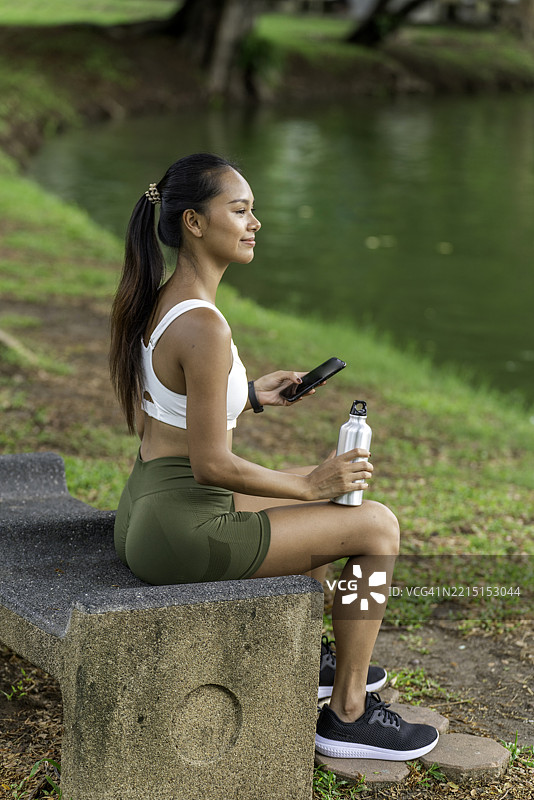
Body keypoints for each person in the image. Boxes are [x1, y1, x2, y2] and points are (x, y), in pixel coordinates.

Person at [109, 153, 439, 761]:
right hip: (183, 528)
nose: (254, 222)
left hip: (150, 509)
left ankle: (317, 661)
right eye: (240, 210)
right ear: (195, 223)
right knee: (375, 526)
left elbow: (175, 403)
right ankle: (347, 715)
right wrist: (309, 482)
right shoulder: (205, 326)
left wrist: (250, 396)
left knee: (321, 514)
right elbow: (213, 465)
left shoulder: (167, 299)